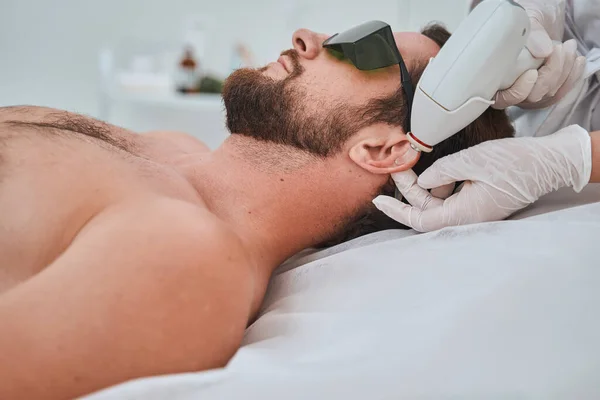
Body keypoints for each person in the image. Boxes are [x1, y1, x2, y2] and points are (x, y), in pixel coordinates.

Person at [0, 23, 525, 398]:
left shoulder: (188, 261)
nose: (308, 36)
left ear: (384, 148)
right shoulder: (170, 149)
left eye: (365, 46)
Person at [374, 0, 600, 232]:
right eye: (359, 51)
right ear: (380, 149)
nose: (332, 35)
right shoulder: (516, 170)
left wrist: (574, 157)